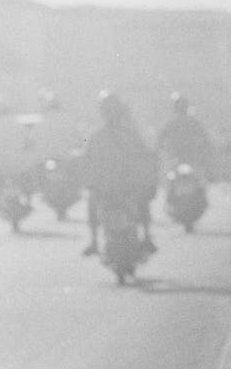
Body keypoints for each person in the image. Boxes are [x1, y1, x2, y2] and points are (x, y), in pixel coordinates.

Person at [81, 91, 158, 256]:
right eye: (106, 110)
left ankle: (145, 236)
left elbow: (144, 156)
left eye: (111, 109)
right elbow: (86, 157)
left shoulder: (128, 133)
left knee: (141, 202)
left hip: (124, 184)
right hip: (109, 186)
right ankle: (95, 241)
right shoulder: (96, 135)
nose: (109, 113)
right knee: (93, 204)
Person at [157, 93, 214, 181]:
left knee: (170, 180)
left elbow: (160, 140)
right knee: (199, 180)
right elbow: (205, 139)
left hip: (178, 158)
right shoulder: (193, 122)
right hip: (189, 158)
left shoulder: (171, 123)